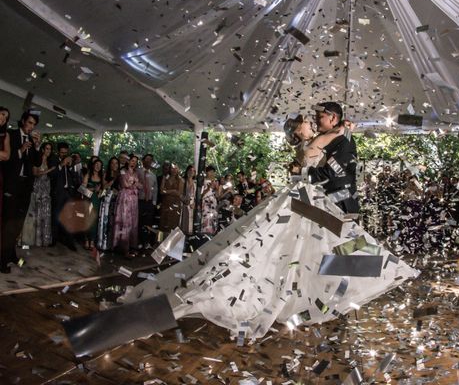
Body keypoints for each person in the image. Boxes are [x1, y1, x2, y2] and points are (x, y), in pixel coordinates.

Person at [123, 115, 418, 341]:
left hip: (304, 202)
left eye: (310, 121)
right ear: (299, 132)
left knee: (305, 248)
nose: (309, 122)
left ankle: (327, 279)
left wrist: (340, 130)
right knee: (300, 247)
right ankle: (344, 275)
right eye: (305, 123)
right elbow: (326, 141)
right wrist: (341, 128)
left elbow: (329, 148)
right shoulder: (313, 143)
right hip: (302, 202)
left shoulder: (316, 141)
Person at [292, 102, 360, 213]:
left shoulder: (344, 140)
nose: (315, 120)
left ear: (332, 118)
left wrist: (301, 172)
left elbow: (330, 173)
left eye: (320, 117)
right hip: (324, 199)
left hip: (341, 202)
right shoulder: (332, 136)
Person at [2, 111, 40, 272]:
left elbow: (37, 163)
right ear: (23, 121)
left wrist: (37, 146)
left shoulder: (32, 140)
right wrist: (21, 150)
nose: (31, 127)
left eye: (34, 125)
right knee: (7, 224)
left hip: (25, 187)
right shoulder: (11, 135)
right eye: (30, 123)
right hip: (12, 185)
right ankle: (1, 260)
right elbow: (7, 160)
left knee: (18, 224)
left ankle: (11, 255)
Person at [22, 142, 55, 247]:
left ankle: (41, 241)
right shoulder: (38, 159)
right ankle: (29, 240)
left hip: (46, 190)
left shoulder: (49, 160)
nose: (48, 151)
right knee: (34, 214)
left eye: (50, 149)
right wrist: (48, 170)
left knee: (44, 214)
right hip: (37, 189)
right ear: (42, 149)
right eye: (46, 148)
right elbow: (35, 173)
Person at [50, 141, 81, 250]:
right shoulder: (53, 160)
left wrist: (72, 165)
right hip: (58, 192)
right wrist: (61, 164)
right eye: (62, 153)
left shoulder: (70, 162)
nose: (64, 154)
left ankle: (70, 242)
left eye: (66, 152)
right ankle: (53, 240)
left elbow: (75, 177)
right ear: (58, 152)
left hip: (68, 192)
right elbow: (52, 175)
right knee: (56, 217)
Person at [113, 155, 141, 257]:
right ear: (128, 161)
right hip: (125, 198)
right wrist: (134, 184)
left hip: (133, 199)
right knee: (124, 221)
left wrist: (134, 184)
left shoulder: (136, 172)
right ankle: (123, 248)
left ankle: (131, 246)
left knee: (133, 222)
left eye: (135, 162)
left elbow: (140, 186)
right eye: (132, 160)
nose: (133, 163)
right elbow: (125, 184)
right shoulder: (123, 171)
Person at [97, 157, 120, 251]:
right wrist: (112, 181)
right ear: (110, 164)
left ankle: (112, 245)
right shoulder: (105, 174)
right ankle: (103, 244)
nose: (114, 165)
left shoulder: (120, 174)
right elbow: (104, 186)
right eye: (112, 163)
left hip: (116, 200)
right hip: (107, 200)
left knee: (113, 222)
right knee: (105, 221)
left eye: (116, 163)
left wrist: (117, 191)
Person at [137, 153, 158, 247]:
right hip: (139, 200)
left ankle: (145, 242)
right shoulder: (137, 172)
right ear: (143, 161)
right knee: (138, 221)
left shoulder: (153, 175)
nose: (148, 161)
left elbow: (155, 189)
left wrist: (153, 202)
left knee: (147, 223)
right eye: (147, 159)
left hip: (149, 202)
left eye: (150, 160)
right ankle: (137, 242)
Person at [82, 158, 103, 250]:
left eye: (100, 165)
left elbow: (103, 191)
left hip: (96, 200)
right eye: (96, 164)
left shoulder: (102, 177)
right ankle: (86, 240)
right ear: (93, 165)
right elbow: (82, 189)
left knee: (95, 221)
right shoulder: (88, 175)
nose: (98, 166)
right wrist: (93, 190)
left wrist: (100, 193)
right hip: (88, 199)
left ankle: (92, 241)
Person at [159, 164, 184, 232]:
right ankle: (160, 241)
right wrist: (173, 191)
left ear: (178, 170)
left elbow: (179, 193)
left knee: (173, 224)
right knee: (163, 223)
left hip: (175, 204)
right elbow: (161, 191)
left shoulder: (180, 180)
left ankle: (172, 241)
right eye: (172, 168)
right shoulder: (165, 178)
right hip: (166, 204)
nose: (174, 170)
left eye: (176, 168)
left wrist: (167, 191)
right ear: (170, 169)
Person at [0, 107, 10, 271]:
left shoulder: (5, 135)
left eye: (6, 117)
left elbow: (6, 155)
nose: (3, 118)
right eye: (1, 114)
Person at [201, 166, 219, 234]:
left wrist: (217, 188)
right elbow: (201, 195)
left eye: (213, 172)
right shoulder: (203, 181)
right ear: (206, 172)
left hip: (213, 204)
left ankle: (213, 235)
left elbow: (217, 196)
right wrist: (208, 188)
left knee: (213, 220)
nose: (212, 173)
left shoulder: (215, 181)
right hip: (206, 204)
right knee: (206, 220)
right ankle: (205, 235)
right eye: (210, 172)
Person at [180, 165, 196, 234]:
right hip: (184, 203)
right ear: (187, 171)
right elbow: (179, 193)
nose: (191, 172)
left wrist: (194, 203)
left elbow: (196, 195)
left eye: (193, 171)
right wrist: (184, 200)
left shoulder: (195, 183)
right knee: (183, 222)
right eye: (190, 170)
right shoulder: (183, 180)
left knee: (191, 223)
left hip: (192, 204)